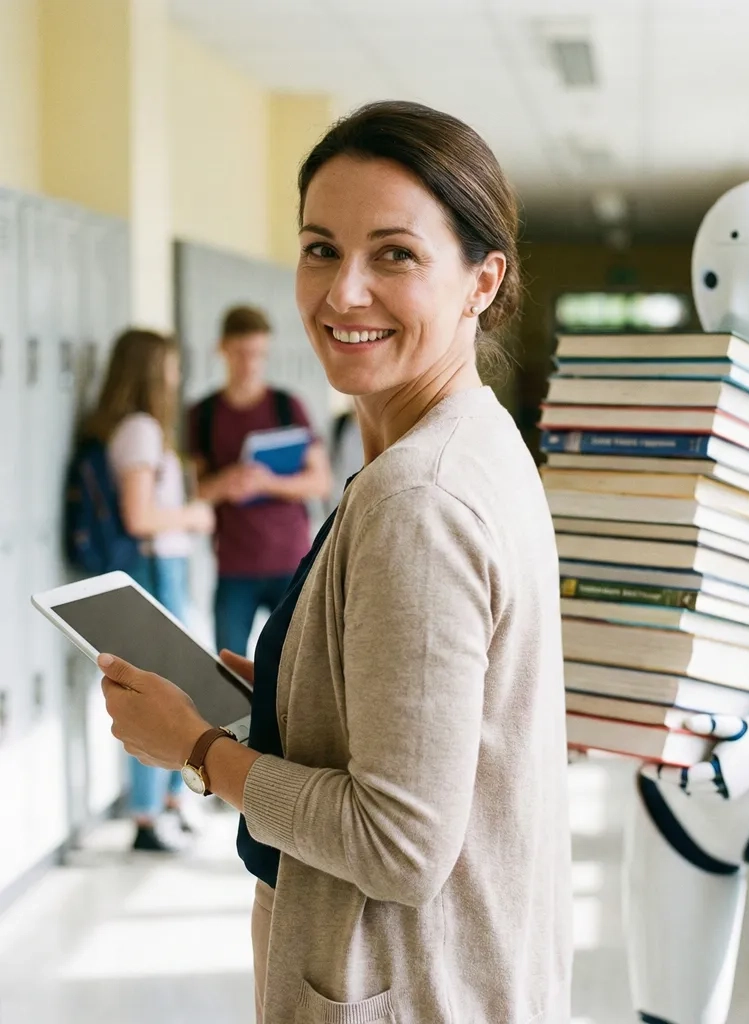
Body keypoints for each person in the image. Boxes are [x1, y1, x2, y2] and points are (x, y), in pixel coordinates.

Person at [97, 100, 572, 1024]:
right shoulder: (471, 441)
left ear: (483, 280)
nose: (342, 292)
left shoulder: (419, 497)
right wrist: (286, 692)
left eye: (394, 253)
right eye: (321, 248)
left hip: (414, 989)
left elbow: (397, 841)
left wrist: (196, 750)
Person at [79, 328, 215, 852]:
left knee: (172, 688)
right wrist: (196, 515)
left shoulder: (137, 429)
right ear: (150, 371)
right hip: (157, 571)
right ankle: (145, 816)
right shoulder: (139, 430)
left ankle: (167, 803)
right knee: (157, 693)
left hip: (165, 571)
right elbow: (140, 516)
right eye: (170, 366)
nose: (177, 377)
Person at [187, 306, 332, 659]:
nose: (250, 363)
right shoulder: (203, 415)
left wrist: (266, 483)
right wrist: (227, 482)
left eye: (259, 354)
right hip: (234, 566)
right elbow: (194, 493)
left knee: (295, 667)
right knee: (227, 664)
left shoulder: (287, 406)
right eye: (241, 353)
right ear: (222, 349)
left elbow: (321, 481)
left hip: (290, 563)